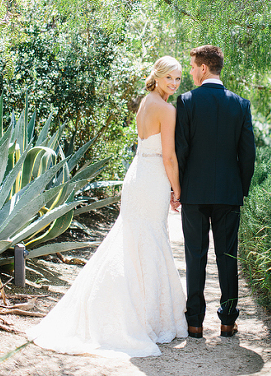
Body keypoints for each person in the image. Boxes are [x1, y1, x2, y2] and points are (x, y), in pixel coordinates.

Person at [28, 56, 187, 358]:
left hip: (137, 174)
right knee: (149, 240)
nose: (175, 84)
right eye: (170, 78)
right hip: (152, 178)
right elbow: (169, 157)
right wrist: (176, 189)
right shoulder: (167, 110)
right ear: (159, 76)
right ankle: (142, 317)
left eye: (179, 79)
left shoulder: (145, 102)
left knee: (132, 241)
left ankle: (129, 309)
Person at [175, 45, 256, 338]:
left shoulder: (186, 102)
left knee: (195, 257)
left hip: (194, 195)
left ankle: (194, 322)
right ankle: (227, 320)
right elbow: (248, 155)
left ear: (204, 68)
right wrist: (240, 189)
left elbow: (180, 151)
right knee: (227, 257)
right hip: (228, 194)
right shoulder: (240, 104)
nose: (192, 73)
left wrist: (178, 189)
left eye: (194, 67)